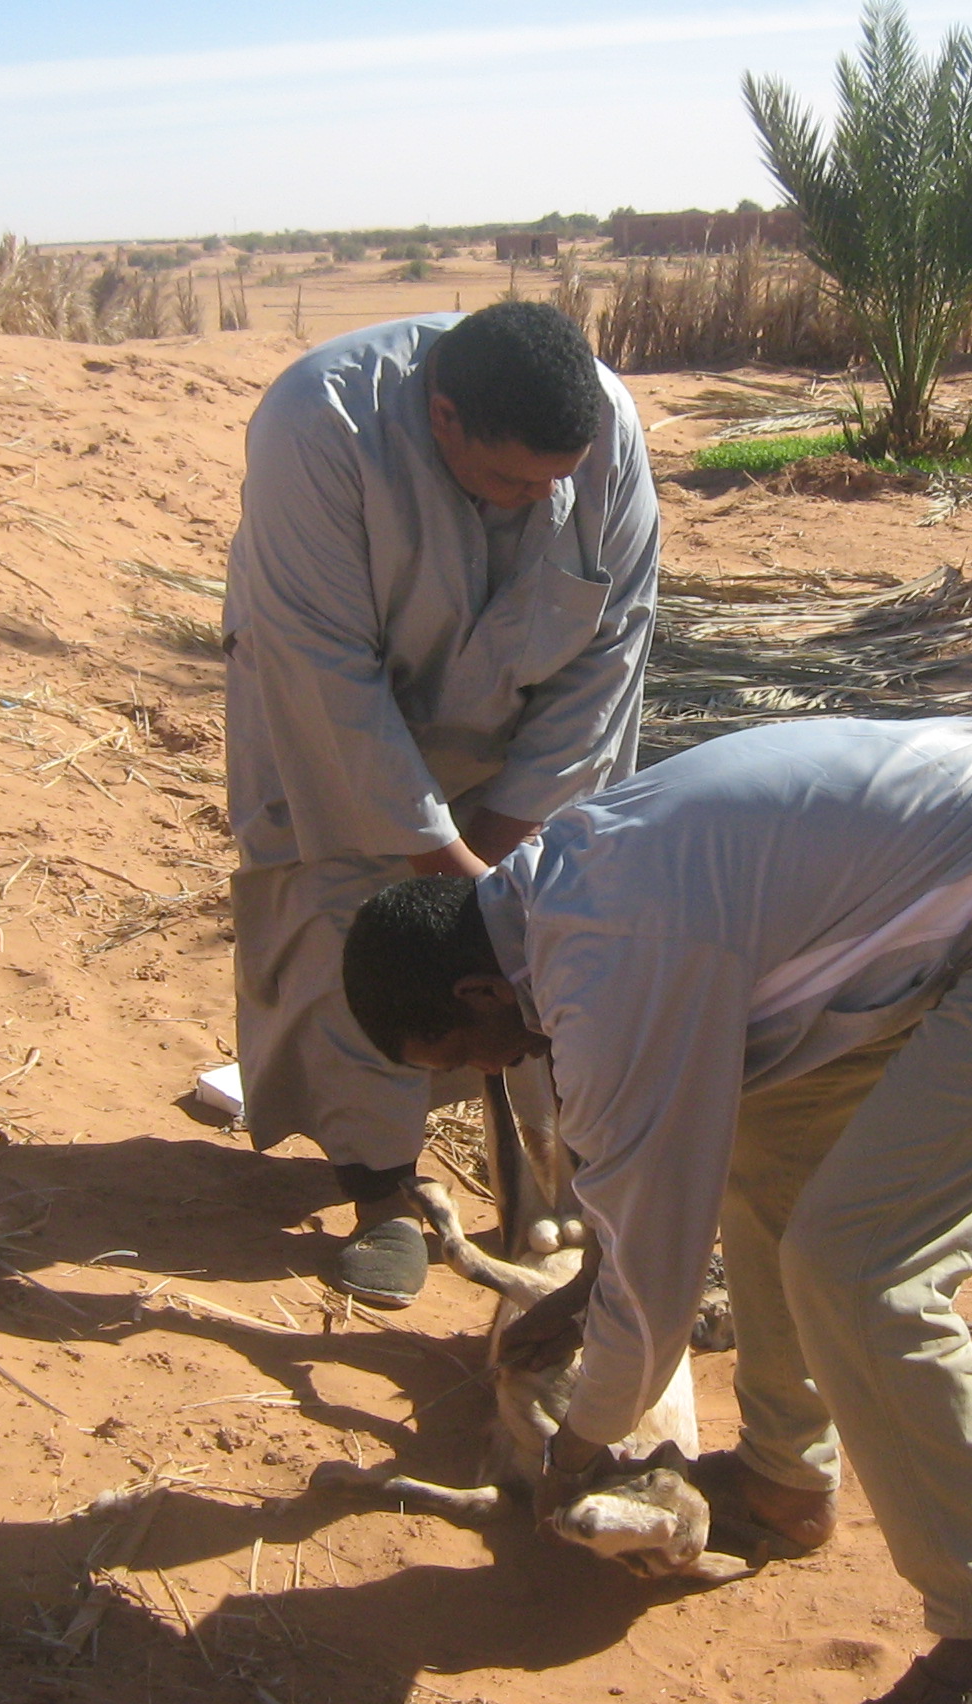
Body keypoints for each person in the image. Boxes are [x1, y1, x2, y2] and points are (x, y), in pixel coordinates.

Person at [340, 716, 972, 1704]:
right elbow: (640, 1195)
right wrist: (587, 1283)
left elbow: (655, 1284)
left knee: (860, 1266)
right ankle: (785, 1483)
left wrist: (577, 1448)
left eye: (464, 1053)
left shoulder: (608, 962)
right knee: (769, 1151)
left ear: (481, 989)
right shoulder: (558, 894)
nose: (492, 1070)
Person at [222, 300, 659, 1309]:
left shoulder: (606, 431)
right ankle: (380, 1186)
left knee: (545, 935)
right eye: (514, 480)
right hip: (337, 718)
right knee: (351, 918)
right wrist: (439, 867)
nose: (539, 499)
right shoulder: (317, 426)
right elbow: (326, 674)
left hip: (523, 721)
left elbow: (610, 649)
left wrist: (496, 870)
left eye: (555, 481)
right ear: (444, 417)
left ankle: (560, 1187)